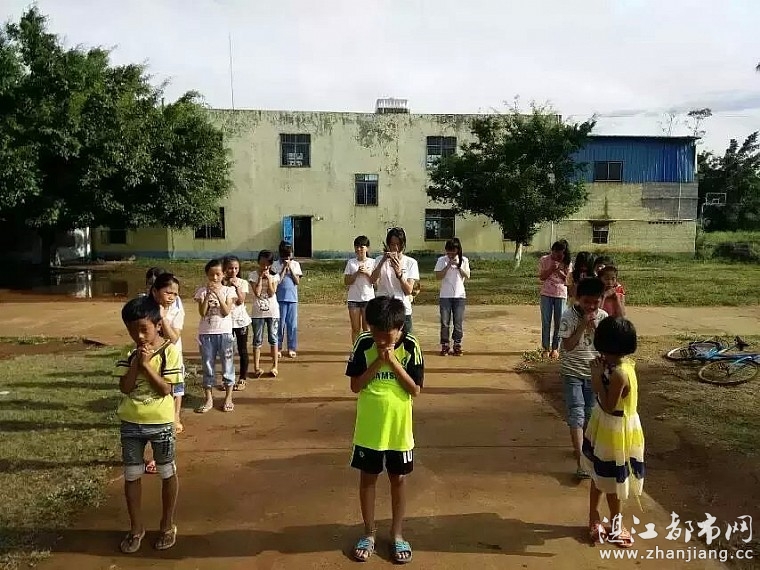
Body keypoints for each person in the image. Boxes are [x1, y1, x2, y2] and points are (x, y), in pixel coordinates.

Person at [346, 296, 424, 564]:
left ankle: (397, 534)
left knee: (398, 479)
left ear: (400, 328)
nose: (380, 341)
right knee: (368, 478)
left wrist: (392, 362)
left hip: (399, 428)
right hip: (370, 426)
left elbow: (415, 389)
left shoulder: (411, 345)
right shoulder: (363, 343)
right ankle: (369, 533)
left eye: (387, 336)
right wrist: (378, 362)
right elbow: (355, 386)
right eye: (375, 333)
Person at [114, 296, 182, 553]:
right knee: (132, 475)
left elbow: (166, 389)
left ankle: (167, 525)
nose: (139, 336)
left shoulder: (169, 351)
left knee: (167, 472)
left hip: (161, 423)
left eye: (144, 329)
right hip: (131, 423)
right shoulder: (127, 352)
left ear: (158, 325)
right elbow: (125, 387)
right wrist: (136, 364)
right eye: (132, 331)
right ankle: (136, 528)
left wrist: (146, 366)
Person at [581, 317, 644, 548]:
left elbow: (608, 404)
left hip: (615, 431)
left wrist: (596, 376)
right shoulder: (620, 365)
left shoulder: (619, 373)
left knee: (613, 482)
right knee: (600, 475)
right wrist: (600, 371)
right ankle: (595, 517)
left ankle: (614, 523)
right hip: (607, 427)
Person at [558, 277, 608, 479]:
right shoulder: (568, 316)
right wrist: (582, 326)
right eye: (587, 301)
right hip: (572, 373)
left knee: (590, 414)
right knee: (576, 413)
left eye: (596, 302)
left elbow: (605, 347)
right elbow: (568, 346)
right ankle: (581, 461)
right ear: (578, 298)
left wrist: (595, 327)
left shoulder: (603, 317)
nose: (591, 306)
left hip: (593, 373)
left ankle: (588, 452)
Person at [193, 259, 237, 413]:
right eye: (211, 275)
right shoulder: (202, 291)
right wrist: (207, 295)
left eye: (218, 274)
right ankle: (209, 398)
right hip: (206, 334)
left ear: (223, 274)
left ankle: (228, 397)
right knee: (207, 366)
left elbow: (226, 312)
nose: (215, 278)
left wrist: (218, 294)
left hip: (224, 333)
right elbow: (202, 312)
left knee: (227, 365)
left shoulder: (229, 291)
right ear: (207, 275)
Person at [370, 227, 419, 335]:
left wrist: (399, 273)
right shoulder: (379, 260)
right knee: (383, 341)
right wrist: (382, 261)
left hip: (402, 309)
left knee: (406, 342)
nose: (395, 248)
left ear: (403, 244)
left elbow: (408, 291)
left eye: (398, 244)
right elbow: (372, 280)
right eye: (392, 244)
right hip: (383, 309)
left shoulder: (411, 262)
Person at [434, 237, 470, 356]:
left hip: (459, 296)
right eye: (448, 252)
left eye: (453, 252)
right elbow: (438, 276)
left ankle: (457, 344)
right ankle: (445, 344)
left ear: (458, 250)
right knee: (445, 322)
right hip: (445, 295)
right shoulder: (441, 260)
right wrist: (448, 265)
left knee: (458, 321)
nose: (450, 255)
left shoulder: (464, 260)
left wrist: (458, 266)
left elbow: (467, 275)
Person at [248, 250, 281, 377]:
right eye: (262, 264)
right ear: (258, 262)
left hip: (272, 312)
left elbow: (272, 293)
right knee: (257, 339)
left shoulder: (275, 276)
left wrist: (269, 279)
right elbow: (257, 293)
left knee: (273, 338)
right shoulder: (253, 275)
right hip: (258, 312)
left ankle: (275, 366)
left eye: (268, 264)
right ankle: (256, 367)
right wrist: (261, 279)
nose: (265, 267)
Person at [538, 239, 572, 359]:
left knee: (559, 322)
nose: (556, 256)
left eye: (559, 254)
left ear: (564, 253)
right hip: (546, 294)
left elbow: (568, 280)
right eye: (554, 252)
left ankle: (555, 348)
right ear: (552, 250)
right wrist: (551, 269)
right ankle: (546, 348)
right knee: (546, 321)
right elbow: (542, 277)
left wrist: (559, 270)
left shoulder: (567, 262)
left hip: (560, 294)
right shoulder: (544, 259)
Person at [222, 256, 252, 391]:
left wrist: (236, 286)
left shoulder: (242, 282)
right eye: (230, 268)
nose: (233, 271)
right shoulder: (221, 283)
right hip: (225, 322)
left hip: (240, 321)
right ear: (224, 269)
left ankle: (242, 378)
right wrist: (225, 285)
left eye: (236, 268)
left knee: (242, 349)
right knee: (226, 351)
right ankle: (228, 379)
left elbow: (240, 301)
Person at [344, 235, 376, 343]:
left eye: (362, 247)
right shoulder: (351, 262)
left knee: (367, 329)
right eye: (356, 247)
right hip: (354, 299)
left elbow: (375, 282)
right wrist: (357, 273)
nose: (359, 249)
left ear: (367, 248)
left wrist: (367, 272)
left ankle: (368, 350)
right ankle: (356, 349)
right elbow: (346, 281)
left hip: (368, 299)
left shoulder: (373, 262)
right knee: (355, 328)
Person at [273, 241, 302, 359]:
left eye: (289, 255)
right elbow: (277, 281)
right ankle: (278, 347)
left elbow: (297, 281)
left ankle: (291, 347)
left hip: (292, 299)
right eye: (285, 256)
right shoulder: (275, 265)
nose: (287, 258)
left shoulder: (296, 264)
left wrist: (290, 268)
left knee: (292, 325)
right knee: (279, 325)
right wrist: (284, 268)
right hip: (279, 299)